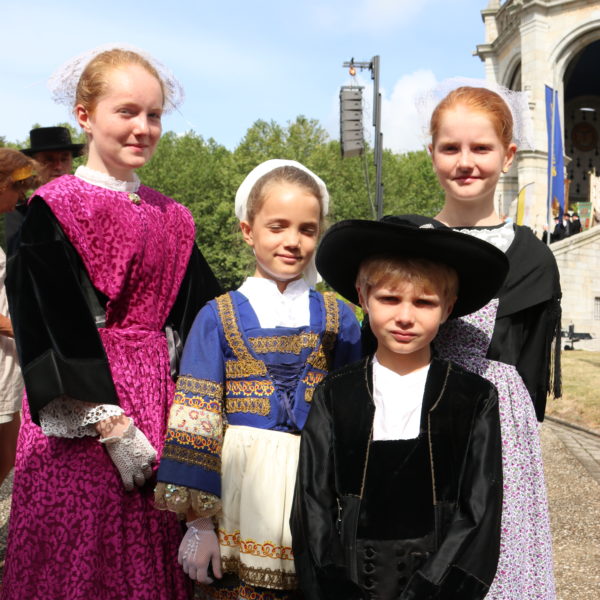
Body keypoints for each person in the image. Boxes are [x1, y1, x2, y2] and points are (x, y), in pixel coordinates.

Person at [2, 46, 221, 600]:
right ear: (85, 115)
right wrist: (109, 424)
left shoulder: (174, 217)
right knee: (78, 557)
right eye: (127, 111)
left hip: (159, 401)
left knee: (149, 556)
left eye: (154, 114)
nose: (143, 127)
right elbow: (45, 323)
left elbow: (205, 318)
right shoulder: (53, 207)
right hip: (84, 413)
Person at [155, 159, 362, 599]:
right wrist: (197, 524)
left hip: (316, 493)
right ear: (248, 231)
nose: (293, 241)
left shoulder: (339, 317)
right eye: (277, 226)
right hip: (239, 494)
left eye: (307, 229)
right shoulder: (217, 316)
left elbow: (356, 418)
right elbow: (196, 420)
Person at [291, 215, 507, 600]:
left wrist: (431, 590)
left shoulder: (473, 398)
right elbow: (313, 503)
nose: (405, 317)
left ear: (448, 307)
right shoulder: (335, 394)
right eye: (389, 299)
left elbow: (478, 512)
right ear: (363, 297)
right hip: (348, 583)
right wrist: (336, 587)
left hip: (440, 587)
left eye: (424, 302)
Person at [421, 83, 558, 598]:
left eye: (481, 148)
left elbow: (529, 367)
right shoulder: (409, 245)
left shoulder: (532, 260)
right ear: (431, 153)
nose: (465, 162)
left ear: (508, 155)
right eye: (450, 148)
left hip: (500, 431)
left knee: (497, 563)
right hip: (419, 415)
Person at [0, 149, 38, 486]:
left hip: (7, 360)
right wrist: (22, 331)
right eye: (18, 188)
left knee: (7, 453)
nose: (20, 199)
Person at [20, 126, 84, 182]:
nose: (58, 167)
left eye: (64, 159)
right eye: (49, 160)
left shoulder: (85, 191)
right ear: (34, 165)